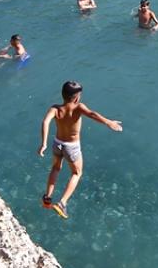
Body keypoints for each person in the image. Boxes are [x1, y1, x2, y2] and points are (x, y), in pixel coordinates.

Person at [37, 80, 123, 220]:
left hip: (57, 143)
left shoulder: (55, 109)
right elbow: (93, 114)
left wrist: (44, 143)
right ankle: (62, 203)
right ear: (77, 97)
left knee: (55, 168)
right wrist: (108, 122)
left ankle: (47, 198)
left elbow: (45, 122)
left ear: (62, 94)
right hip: (72, 147)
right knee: (76, 173)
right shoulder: (78, 107)